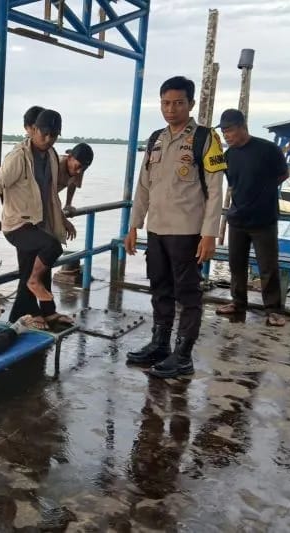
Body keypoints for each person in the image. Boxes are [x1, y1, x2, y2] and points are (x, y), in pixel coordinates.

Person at [123, 76, 226, 378]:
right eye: (166, 103)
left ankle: (183, 355)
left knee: (188, 294)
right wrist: (133, 226)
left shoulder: (205, 139)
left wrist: (210, 233)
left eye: (178, 103)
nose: (171, 109)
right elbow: (143, 186)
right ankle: (160, 344)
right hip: (157, 230)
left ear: (190, 104)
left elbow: (215, 188)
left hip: (187, 231)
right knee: (160, 289)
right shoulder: (156, 138)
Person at [0, 109, 77, 329]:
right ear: (33, 130)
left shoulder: (51, 155)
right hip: (17, 225)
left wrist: (62, 218)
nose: (48, 139)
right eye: (44, 133)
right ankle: (32, 306)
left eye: (54, 135)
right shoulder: (18, 156)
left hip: (39, 223)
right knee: (51, 249)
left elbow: (50, 192)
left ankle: (37, 315)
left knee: (33, 271)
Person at [213, 109, 290, 326]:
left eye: (229, 130)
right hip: (237, 219)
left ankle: (273, 310)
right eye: (224, 132)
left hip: (264, 220)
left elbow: (283, 174)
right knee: (236, 265)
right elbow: (223, 179)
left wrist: (263, 192)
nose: (226, 135)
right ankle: (237, 303)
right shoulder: (228, 155)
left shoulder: (268, 149)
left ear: (242, 126)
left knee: (268, 267)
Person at [58, 142, 94, 211]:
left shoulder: (80, 169)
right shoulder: (55, 165)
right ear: (69, 158)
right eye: (78, 166)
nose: (79, 172)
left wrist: (68, 204)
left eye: (84, 169)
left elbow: (73, 183)